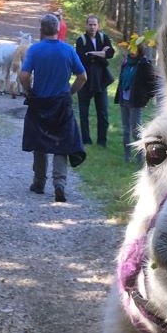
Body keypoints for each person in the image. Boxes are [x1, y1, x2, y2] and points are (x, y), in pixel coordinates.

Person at [19, 13, 87, 203]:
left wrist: (28, 91)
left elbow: (24, 75)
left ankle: (39, 182)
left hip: (39, 101)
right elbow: (83, 77)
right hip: (61, 103)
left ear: (41, 30)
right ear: (58, 29)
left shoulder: (35, 50)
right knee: (62, 143)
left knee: (39, 142)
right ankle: (59, 184)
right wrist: (71, 92)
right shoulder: (68, 50)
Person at [114, 42, 157, 164]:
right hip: (125, 99)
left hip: (136, 102)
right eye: (130, 49)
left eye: (134, 49)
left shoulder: (144, 64)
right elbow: (122, 79)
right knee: (126, 130)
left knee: (136, 131)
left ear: (139, 50)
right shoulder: (126, 62)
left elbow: (152, 84)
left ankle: (140, 159)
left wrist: (145, 99)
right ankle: (127, 157)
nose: (131, 51)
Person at [75, 14, 115, 147]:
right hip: (85, 80)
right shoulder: (81, 40)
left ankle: (102, 141)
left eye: (94, 24)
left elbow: (111, 53)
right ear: (86, 25)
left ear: (98, 26)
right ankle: (86, 139)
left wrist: (92, 53)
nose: (92, 27)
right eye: (90, 24)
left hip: (100, 80)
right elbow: (81, 58)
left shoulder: (104, 38)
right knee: (83, 111)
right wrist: (101, 54)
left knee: (102, 112)